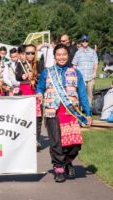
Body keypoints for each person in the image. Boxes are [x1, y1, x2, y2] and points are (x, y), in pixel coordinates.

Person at [36, 44, 92, 183]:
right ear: (54, 56)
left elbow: (83, 94)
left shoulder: (76, 72)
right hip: (52, 113)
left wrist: (88, 113)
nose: (61, 57)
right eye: (59, 55)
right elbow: (40, 87)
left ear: (68, 56)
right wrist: (39, 93)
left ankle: (67, 161)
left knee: (74, 144)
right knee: (56, 143)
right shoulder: (47, 72)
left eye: (64, 54)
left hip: (70, 114)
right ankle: (59, 169)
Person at [16, 44, 44, 150]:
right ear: (24, 53)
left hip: (36, 93)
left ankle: (36, 139)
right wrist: (23, 76)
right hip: (25, 92)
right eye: (28, 53)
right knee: (25, 117)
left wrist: (36, 75)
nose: (30, 55)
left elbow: (43, 76)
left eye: (33, 53)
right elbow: (17, 76)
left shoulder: (39, 64)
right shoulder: (21, 64)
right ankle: (24, 139)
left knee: (37, 117)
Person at [72, 35, 98, 106]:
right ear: (81, 42)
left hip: (90, 77)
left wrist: (95, 72)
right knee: (81, 93)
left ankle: (88, 109)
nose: (85, 42)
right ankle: (80, 108)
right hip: (81, 77)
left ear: (88, 42)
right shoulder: (78, 53)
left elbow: (96, 63)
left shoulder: (93, 52)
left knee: (90, 94)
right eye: (83, 41)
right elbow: (74, 65)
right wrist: (75, 75)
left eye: (86, 41)